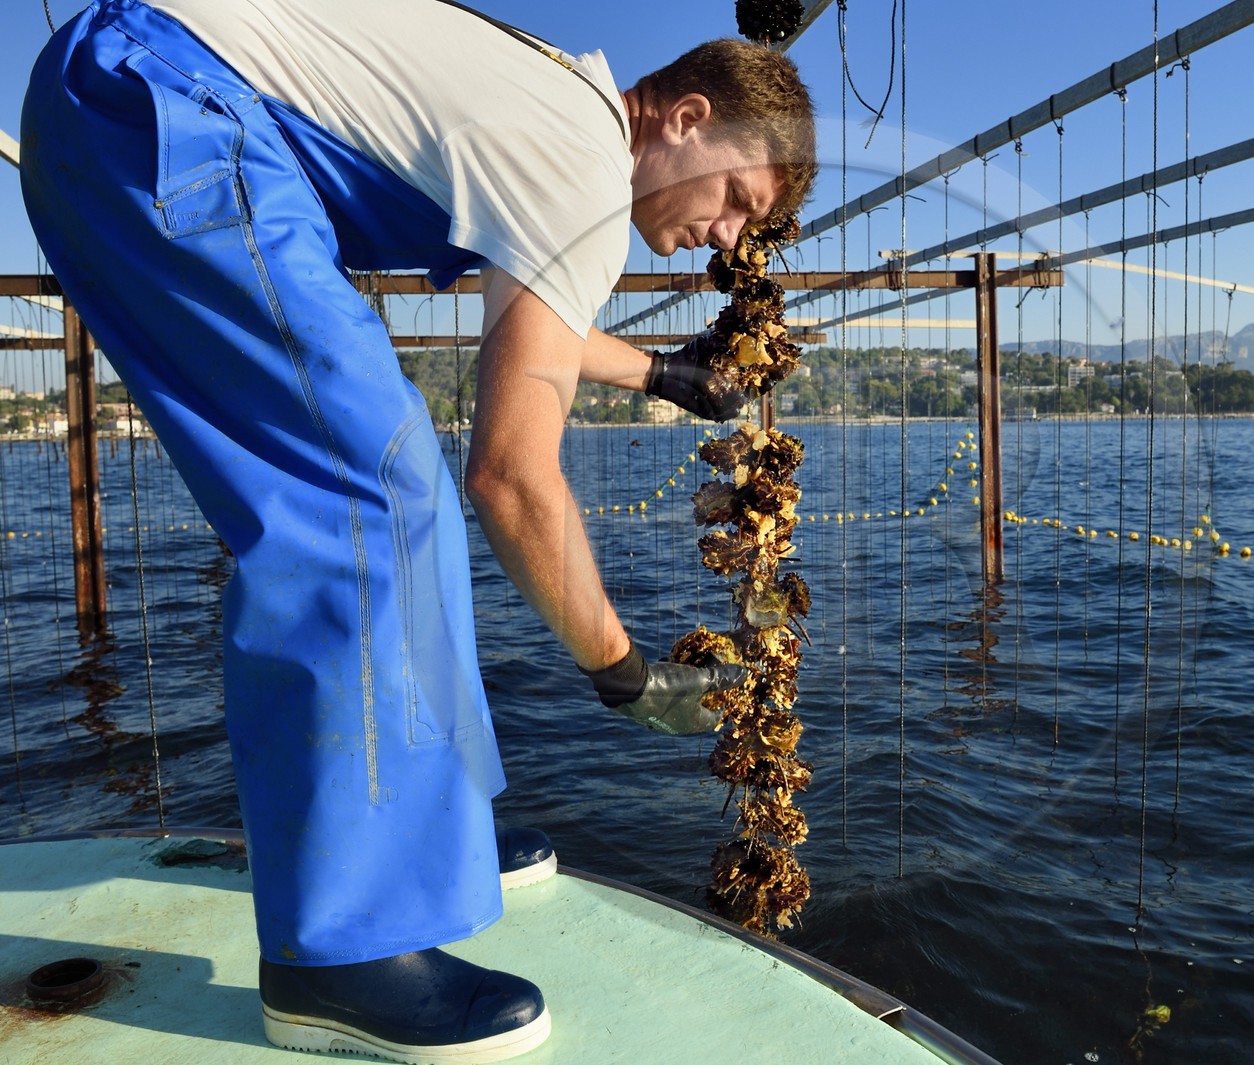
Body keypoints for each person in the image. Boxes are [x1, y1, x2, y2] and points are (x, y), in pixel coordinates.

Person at [20, 0, 816, 1060]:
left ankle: (424, 838)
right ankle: (338, 953)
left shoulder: (551, 119)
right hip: (163, 107)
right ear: (685, 117)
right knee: (366, 497)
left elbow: (538, 327)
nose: (723, 240)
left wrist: (664, 374)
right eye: (735, 201)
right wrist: (620, 670)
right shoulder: (581, 160)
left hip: (119, 112)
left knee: (393, 498)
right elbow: (514, 478)